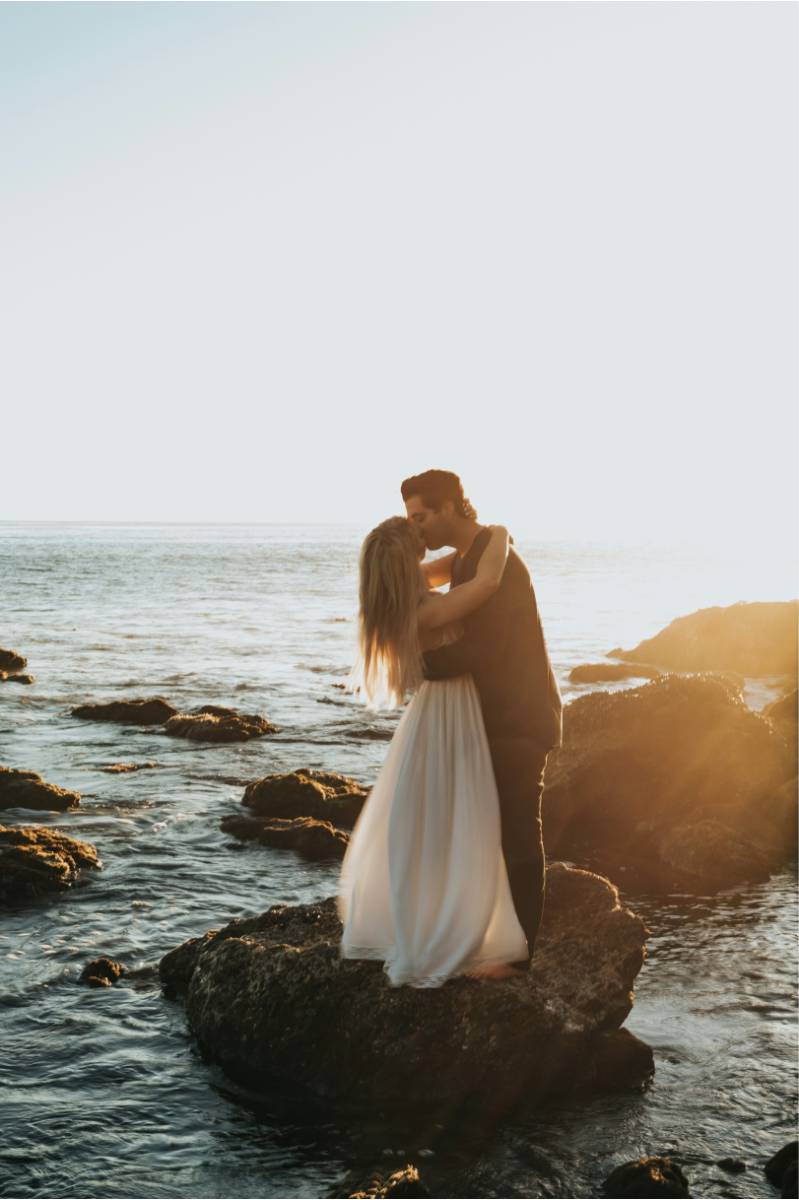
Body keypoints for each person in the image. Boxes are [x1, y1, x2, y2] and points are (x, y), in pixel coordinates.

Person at [337, 515, 529, 987]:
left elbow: (452, 564)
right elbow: (485, 581)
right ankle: (446, 928)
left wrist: (467, 543)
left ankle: (438, 911)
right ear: (406, 561)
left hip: (436, 713)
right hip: (450, 713)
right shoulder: (424, 612)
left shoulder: (399, 599)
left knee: (430, 817)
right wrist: (500, 533)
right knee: (459, 816)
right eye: (416, 539)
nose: (425, 541)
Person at [402, 469, 562, 971]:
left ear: (449, 507)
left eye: (420, 517)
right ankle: (482, 939)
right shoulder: (470, 557)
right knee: (479, 832)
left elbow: (485, 649)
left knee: (517, 833)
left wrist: (415, 665)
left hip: (519, 718)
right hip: (489, 717)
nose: (416, 529)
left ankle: (521, 958)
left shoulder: (501, 562)